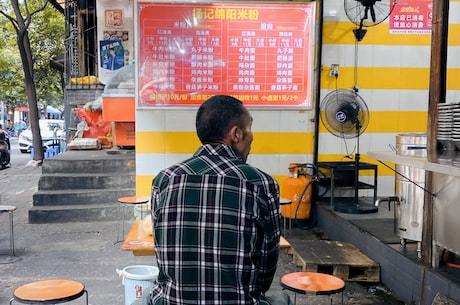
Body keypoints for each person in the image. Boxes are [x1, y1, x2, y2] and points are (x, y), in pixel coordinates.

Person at [143, 95, 291, 305]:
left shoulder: (165, 180)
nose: (252, 137)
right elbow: (266, 267)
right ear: (236, 134)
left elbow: (163, 258)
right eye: (250, 128)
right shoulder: (261, 184)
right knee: (280, 297)